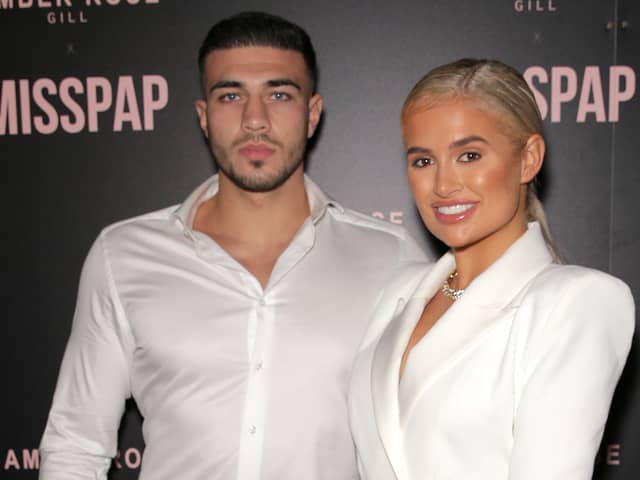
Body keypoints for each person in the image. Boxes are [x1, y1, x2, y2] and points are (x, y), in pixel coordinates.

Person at [39, 11, 427, 480]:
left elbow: (427, 439)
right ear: (204, 116)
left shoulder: (390, 258)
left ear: (312, 113)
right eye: (231, 96)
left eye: (279, 94)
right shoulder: (122, 256)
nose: (255, 121)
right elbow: (75, 446)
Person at [348, 58, 635, 480]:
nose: (444, 185)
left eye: (469, 155)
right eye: (423, 161)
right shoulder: (397, 291)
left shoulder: (576, 303)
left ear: (529, 158)